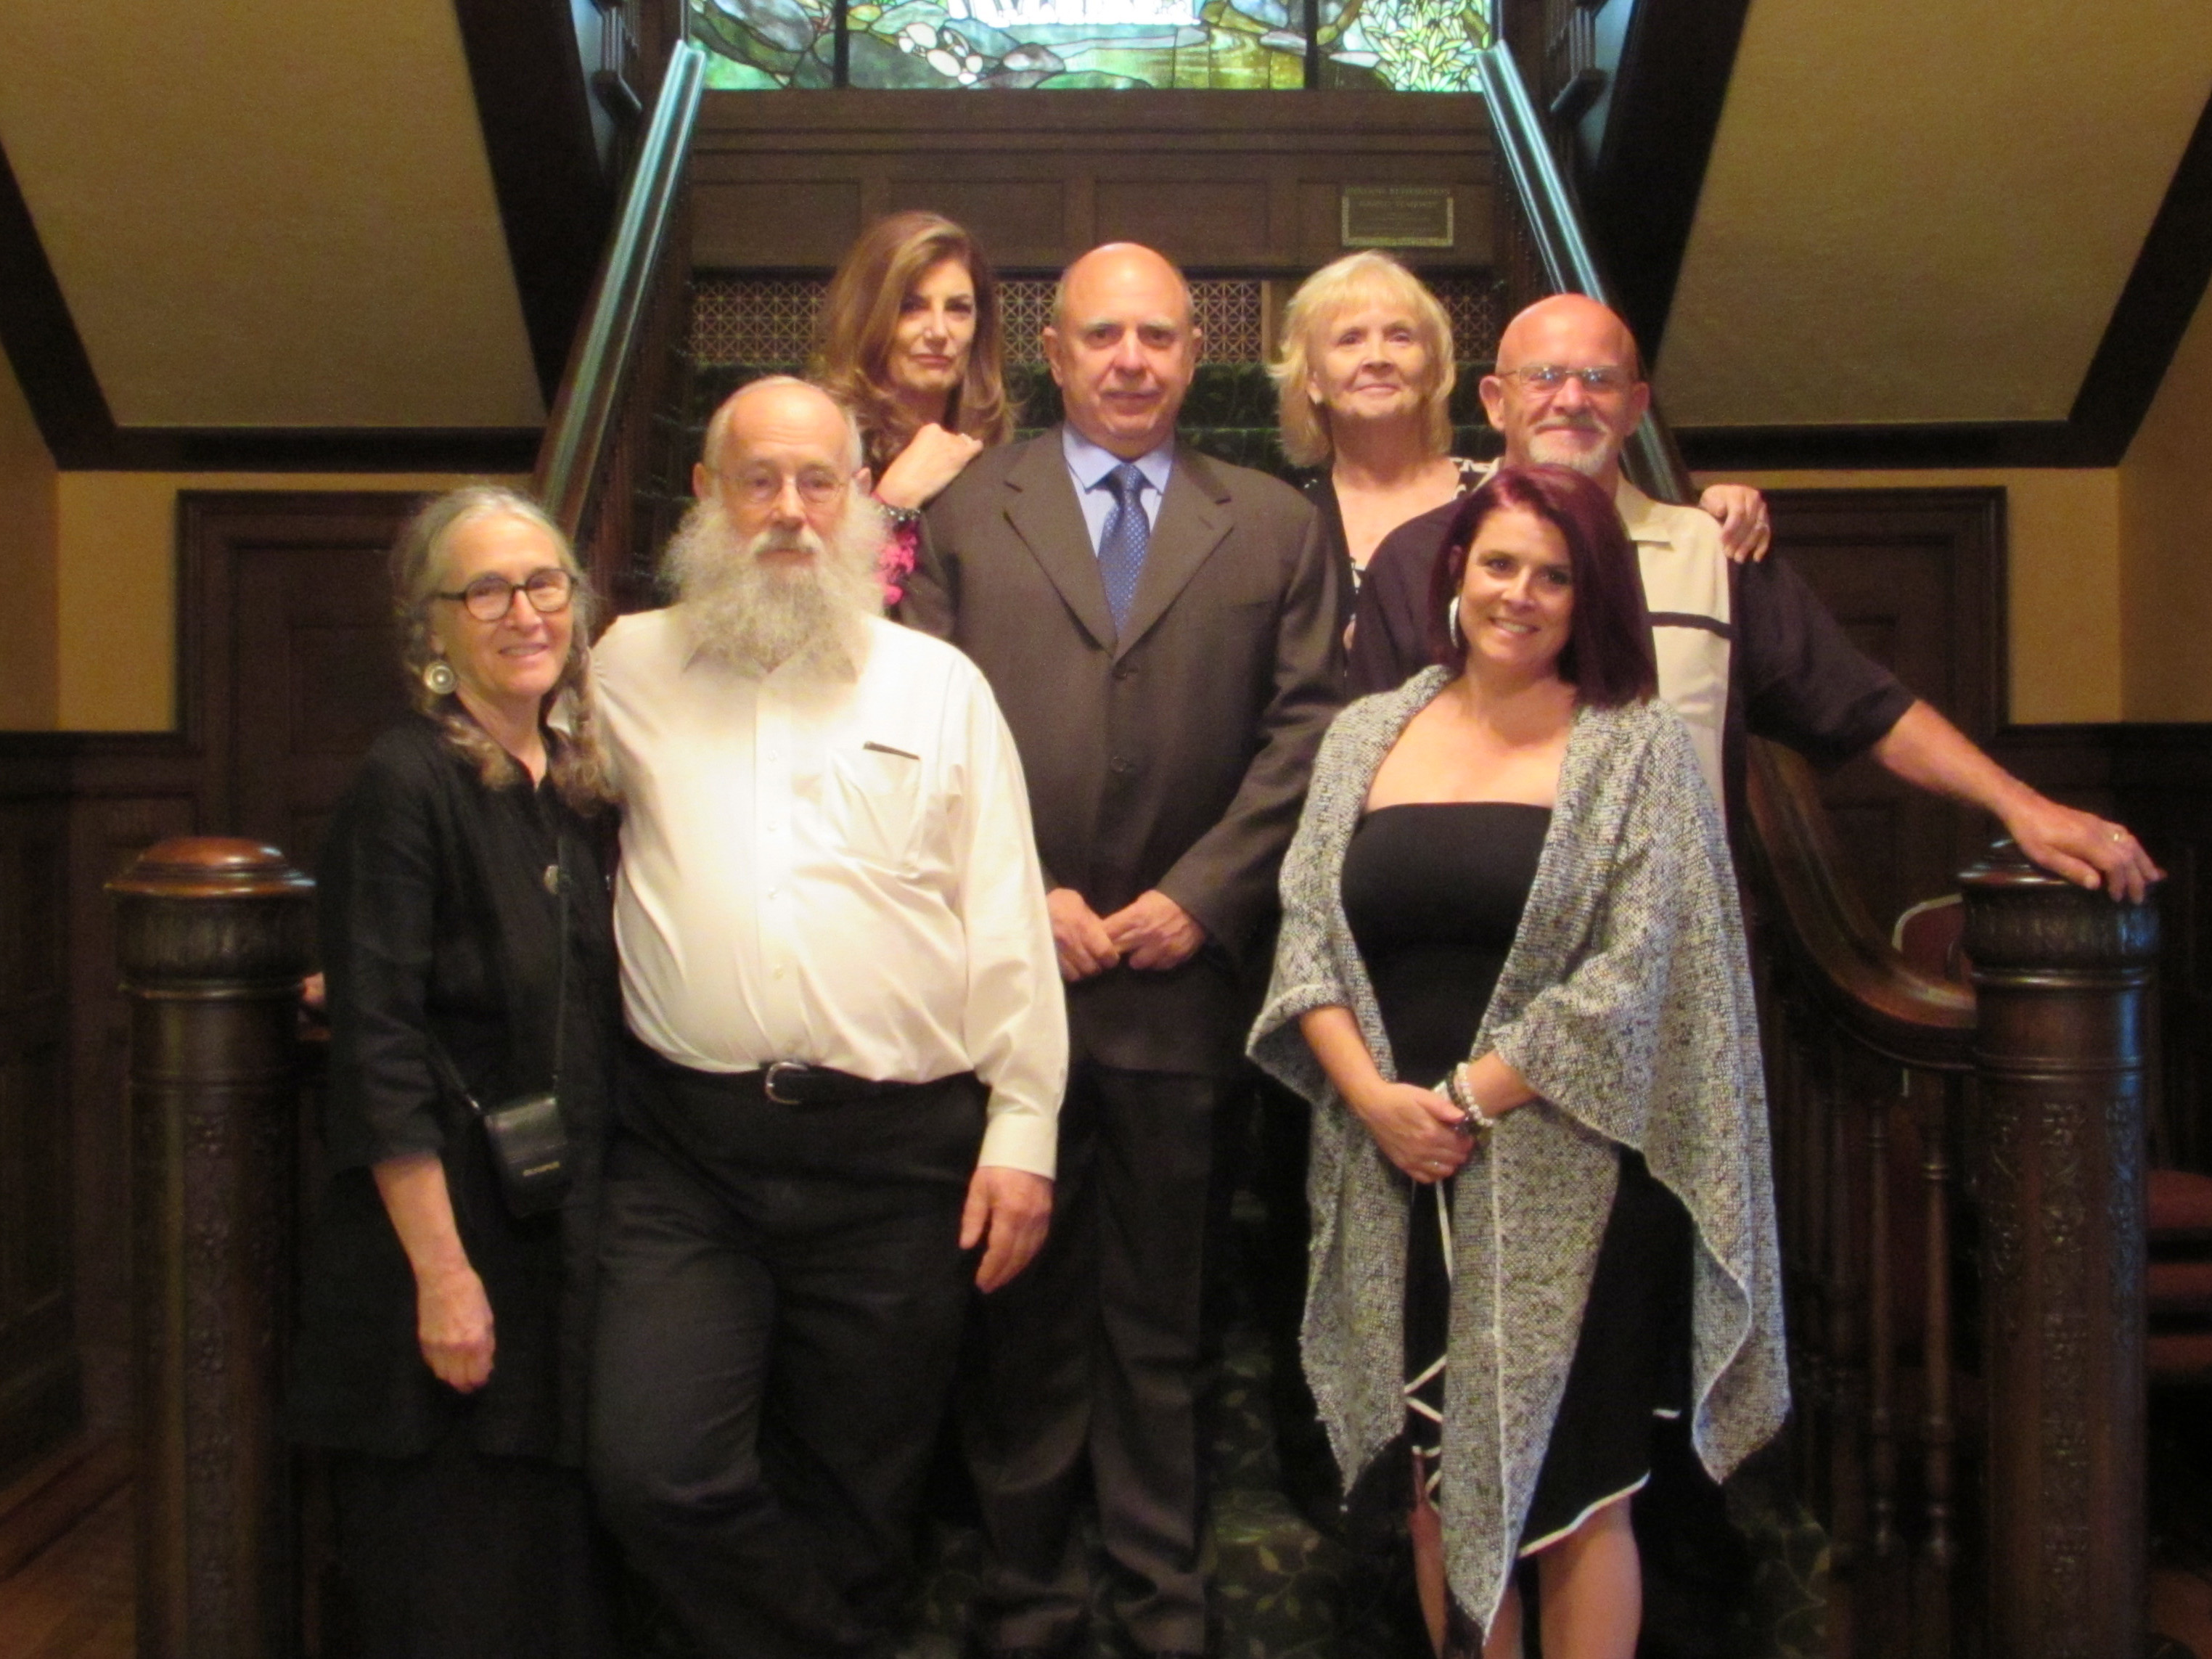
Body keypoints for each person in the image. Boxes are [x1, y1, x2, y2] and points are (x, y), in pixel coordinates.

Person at [1250, 464, 1787, 1659]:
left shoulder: (1633, 749)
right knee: (1440, 1489)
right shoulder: (1361, 736)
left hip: (1577, 1171)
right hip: (1396, 1167)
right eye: (1499, 563)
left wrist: (1456, 1099)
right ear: (1454, 572)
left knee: (1577, 1503)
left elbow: (1634, 972)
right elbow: (1304, 942)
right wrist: (1374, 1103)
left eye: (1555, 574)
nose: (1521, 593)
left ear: (1589, 595)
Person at [905, 242, 1341, 1658]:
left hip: (1183, 985)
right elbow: (924, 726)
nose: (1132, 360)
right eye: (1105, 336)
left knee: (1164, 1317)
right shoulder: (972, 511)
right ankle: (1028, 1592)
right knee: (1019, 1315)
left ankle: (1161, 1595)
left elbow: (1309, 731)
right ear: (1054, 348)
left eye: (1158, 336)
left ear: (1196, 352)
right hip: (1007, 979)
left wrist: (1206, 891)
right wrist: (1022, 887)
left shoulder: (1272, 522)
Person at [586, 376, 1066, 1659]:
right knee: (653, 1468)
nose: (790, 512)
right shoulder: (623, 667)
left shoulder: (938, 685)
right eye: (760, 481)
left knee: (863, 1510)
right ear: (705, 496)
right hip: (689, 1158)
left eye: (819, 483)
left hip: (897, 1160)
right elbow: (500, 784)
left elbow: (1006, 916)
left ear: (860, 500)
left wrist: (1022, 1129)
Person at [1347, 292, 2161, 900]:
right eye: (1546, 377)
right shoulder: (1420, 559)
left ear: (1635, 407)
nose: (1571, 399)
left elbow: (1863, 707)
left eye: (1598, 379)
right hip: (1470, 935)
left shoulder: (1717, 555)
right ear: (1496, 401)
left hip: (1670, 952)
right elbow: (1368, 772)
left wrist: (2022, 806)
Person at [290, 486, 620, 1658]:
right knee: (451, 1587)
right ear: (431, 629)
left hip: (550, 1244)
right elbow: (378, 1053)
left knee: (546, 1588)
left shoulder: (572, 785)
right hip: (446, 1251)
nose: (523, 612)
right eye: (486, 589)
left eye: (544, 584)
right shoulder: (405, 783)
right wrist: (443, 1274)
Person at [1269, 251, 1770, 611]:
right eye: (1350, 339)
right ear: (1311, 378)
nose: (1377, 358)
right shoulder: (1286, 524)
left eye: (1400, 337)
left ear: (1435, 368)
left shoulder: (1515, 487)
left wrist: (1721, 508)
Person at [813, 210, 1015, 602]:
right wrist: (893, 502)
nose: (939, 332)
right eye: (911, 307)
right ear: (868, 317)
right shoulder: (821, 450)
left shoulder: (1000, 461)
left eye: (958, 309)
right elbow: (803, 616)